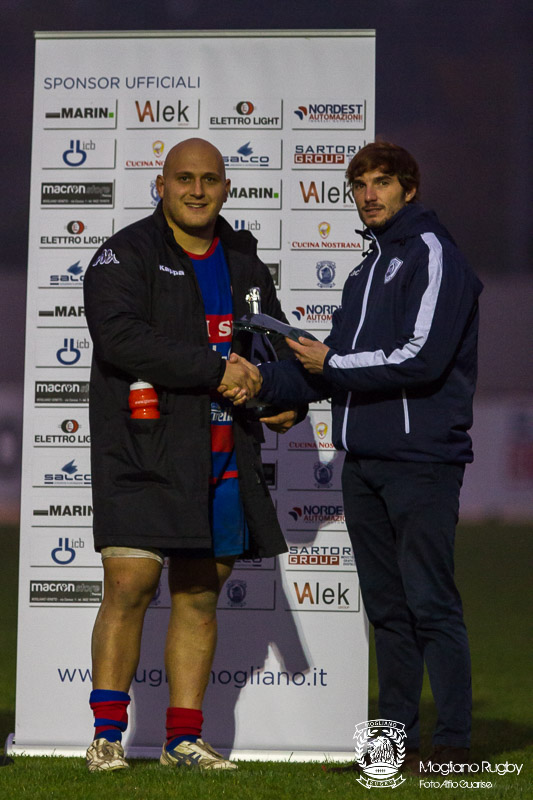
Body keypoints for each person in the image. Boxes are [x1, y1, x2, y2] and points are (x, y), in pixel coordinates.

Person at [238, 141, 482, 772]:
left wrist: (331, 364)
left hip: (422, 462)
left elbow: (421, 357)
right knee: (388, 611)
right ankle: (389, 754)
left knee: (430, 603)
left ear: (410, 188)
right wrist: (274, 392)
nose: (369, 194)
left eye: (382, 182)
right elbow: (329, 366)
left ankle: (454, 743)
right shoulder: (363, 270)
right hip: (364, 464)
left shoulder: (435, 255)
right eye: (359, 185)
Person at [83, 137, 300, 773]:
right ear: (162, 185)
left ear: (226, 187)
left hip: (224, 447)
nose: (197, 190)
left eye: (209, 179)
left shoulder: (242, 257)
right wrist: (214, 370)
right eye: (184, 178)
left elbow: (273, 344)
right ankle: (105, 736)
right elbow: (119, 336)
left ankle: (183, 738)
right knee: (130, 583)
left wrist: (286, 398)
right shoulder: (126, 252)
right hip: (145, 449)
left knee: (201, 591)